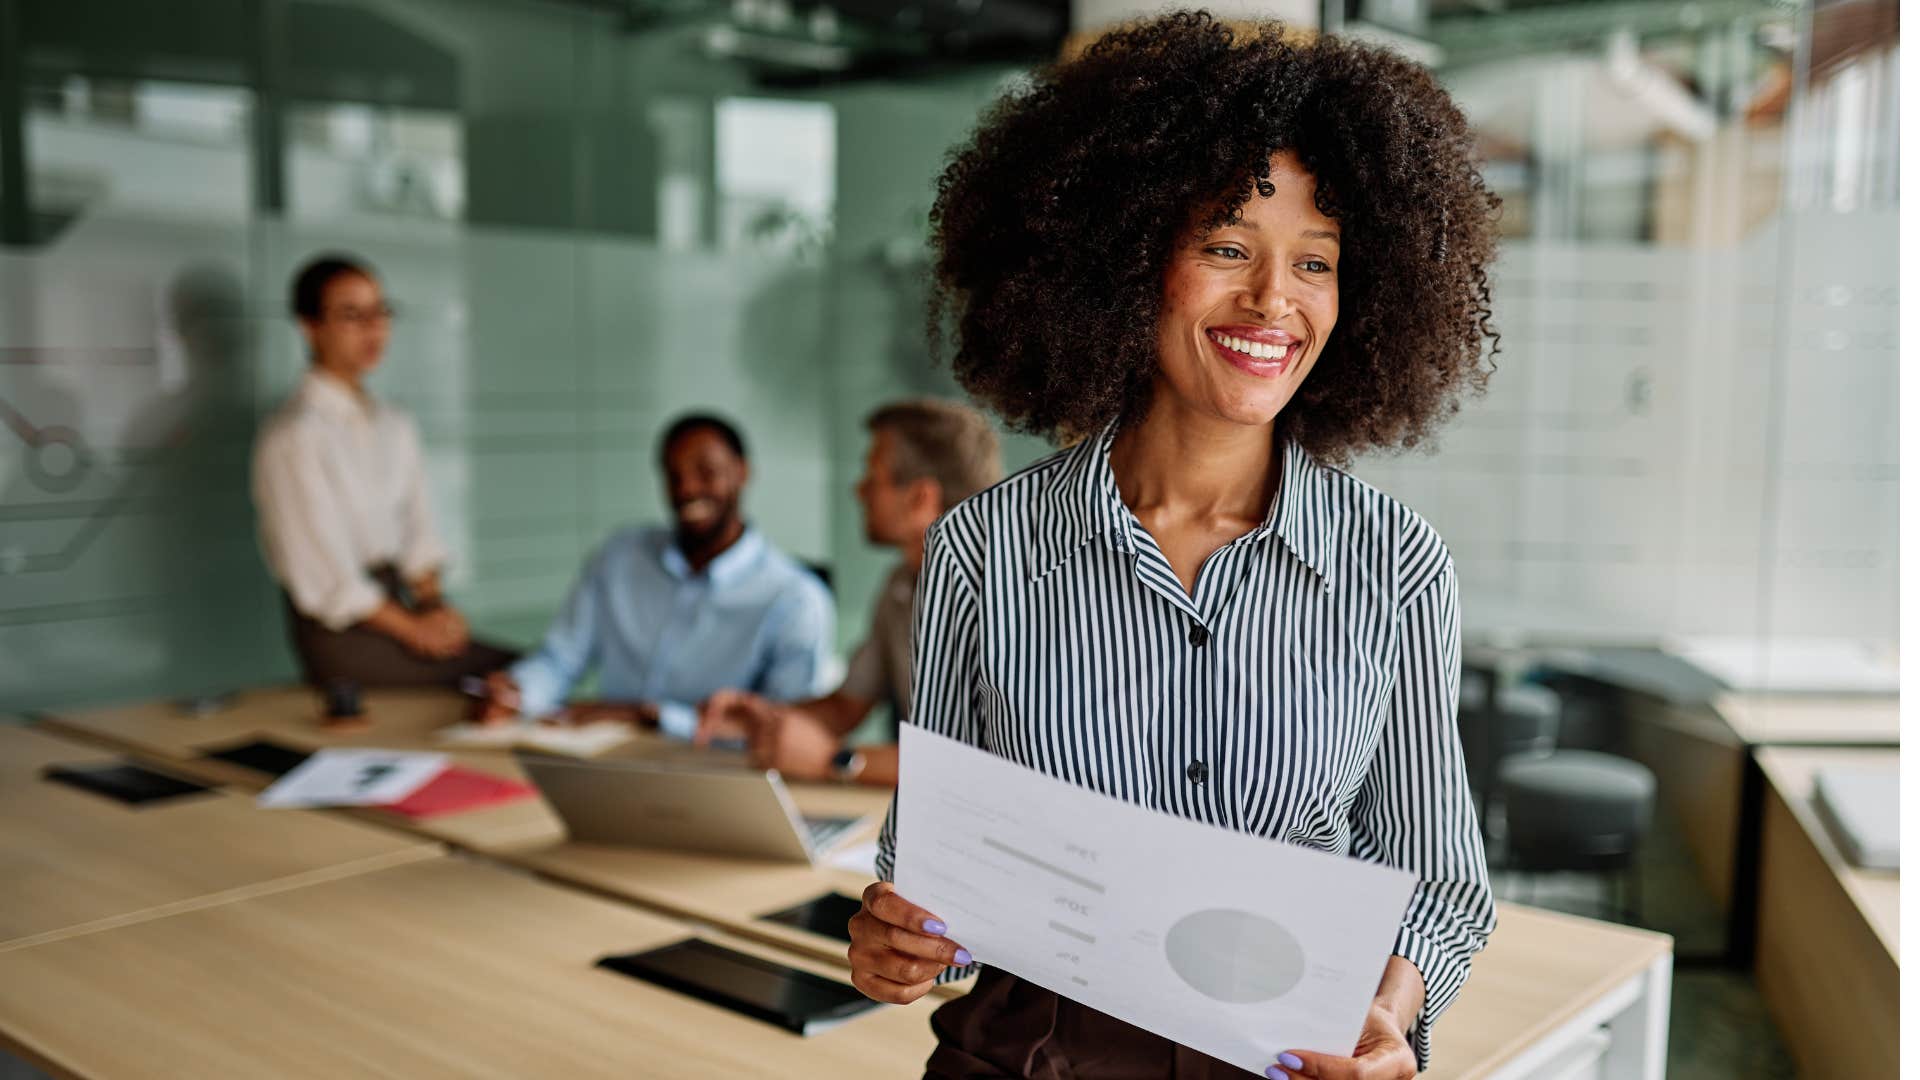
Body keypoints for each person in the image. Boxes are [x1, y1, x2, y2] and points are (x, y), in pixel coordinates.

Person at [846, 14, 1501, 1080]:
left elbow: (1439, 885)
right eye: (1227, 247)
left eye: (1317, 263)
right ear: (1124, 257)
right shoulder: (987, 548)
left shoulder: (1396, 567)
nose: (1273, 300)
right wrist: (898, 940)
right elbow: (934, 872)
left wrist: (1390, 1009)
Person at [694, 399, 1002, 785]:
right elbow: (846, 706)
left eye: (873, 476)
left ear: (920, 498)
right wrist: (767, 720)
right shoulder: (900, 587)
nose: (859, 490)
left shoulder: (1002, 600)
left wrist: (833, 759)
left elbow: (986, 766)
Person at [252, 254, 512, 707]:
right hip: (345, 634)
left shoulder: (395, 424)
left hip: (402, 609)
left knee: (523, 674)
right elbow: (329, 581)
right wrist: (414, 630)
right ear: (310, 326)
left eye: (380, 312)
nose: (372, 328)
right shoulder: (293, 437)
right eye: (352, 315)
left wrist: (435, 608)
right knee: (511, 676)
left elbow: (419, 532)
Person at [479, 414, 835, 739]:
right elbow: (561, 657)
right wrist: (519, 692)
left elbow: (786, 727)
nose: (687, 489)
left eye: (706, 472)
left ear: (742, 473)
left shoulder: (795, 598)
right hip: (606, 760)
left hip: (713, 772)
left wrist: (647, 716)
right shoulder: (619, 557)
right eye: (673, 475)